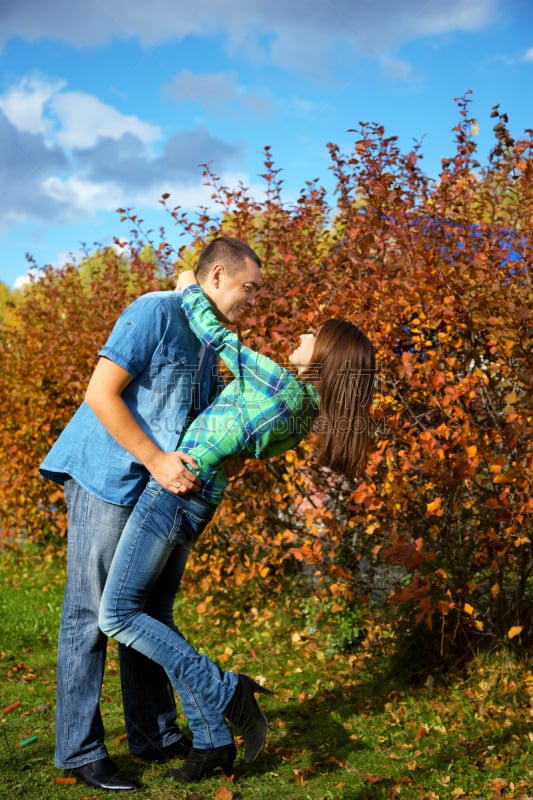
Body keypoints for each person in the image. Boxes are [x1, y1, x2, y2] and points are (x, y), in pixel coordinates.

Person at [99, 270, 376, 783]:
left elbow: (220, 336)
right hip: (201, 500)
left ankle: (228, 691)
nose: (301, 337)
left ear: (324, 357)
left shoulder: (279, 386)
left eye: (312, 336)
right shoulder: (305, 415)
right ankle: (210, 739)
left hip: (176, 489)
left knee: (116, 614)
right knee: (155, 612)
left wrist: (188, 287)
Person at [39, 237, 262, 792]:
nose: (254, 301)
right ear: (216, 276)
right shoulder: (154, 311)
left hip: (157, 490)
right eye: (249, 288)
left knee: (142, 611)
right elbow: (101, 393)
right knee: (90, 615)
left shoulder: (215, 339)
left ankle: (155, 734)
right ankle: (80, 751)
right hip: (108, 477)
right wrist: (157, 459)